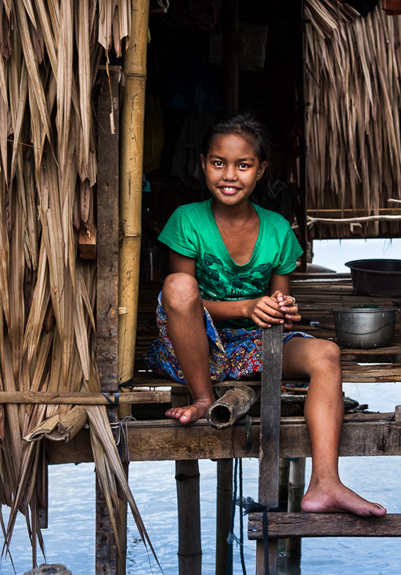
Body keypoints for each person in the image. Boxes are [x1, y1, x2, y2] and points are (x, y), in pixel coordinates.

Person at [145, 113, 385, 517]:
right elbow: (181, 302)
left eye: (244, 165)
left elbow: (279, 308)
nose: (229, 175)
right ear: (202, 163)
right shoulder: (187, 220)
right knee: (179, 286)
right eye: (218, 162)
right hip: (191, 347)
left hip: (253, 347)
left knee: (326, 354)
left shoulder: (277, 230)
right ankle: (204, 398)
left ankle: (325, 482)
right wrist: (244, 307)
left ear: (261, 171)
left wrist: (282, 309)